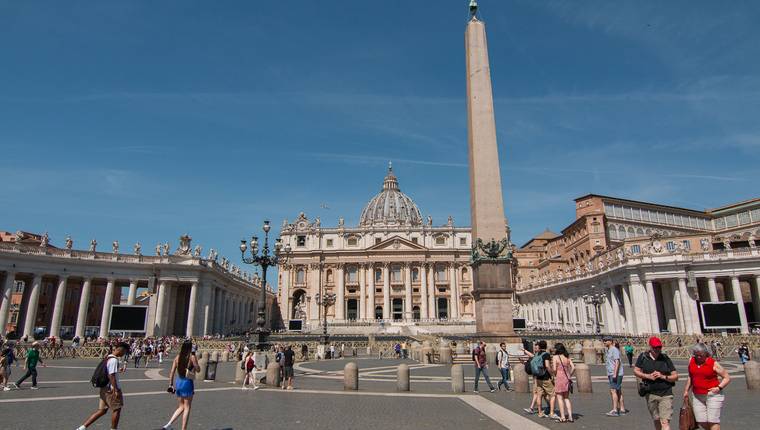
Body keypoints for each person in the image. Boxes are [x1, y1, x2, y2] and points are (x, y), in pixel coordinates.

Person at [76, 342, 130, 430]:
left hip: (104, 388)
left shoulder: (108, 357)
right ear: (121, 349)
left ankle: (81, 428)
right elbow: (111, 375)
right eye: (125, 352)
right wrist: (115, 390)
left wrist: (118, 370)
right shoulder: (114, 360)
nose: (124, 354)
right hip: (111, 389)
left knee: (102, 410)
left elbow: (109, 371)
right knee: (117, 409)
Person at [683, 343, 731, 430]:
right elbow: (690, 376)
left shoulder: (713, 363)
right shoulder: (691, 360)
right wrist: (686, 390)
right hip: (697, 395)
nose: (698, 357)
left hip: (713, 395)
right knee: (700, 420)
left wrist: (718, 388)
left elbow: (726, 378)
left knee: (713, 421)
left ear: (706, 354)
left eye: (701, 355)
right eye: (696, 355)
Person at [634, 336, 678, 430]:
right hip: (650, 393)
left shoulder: (665, 358)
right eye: (655, 348)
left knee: (665, 421)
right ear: (650, 347)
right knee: (657, 419)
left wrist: (663, 376)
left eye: (659, 347)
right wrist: (648, 376)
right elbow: (636, 371)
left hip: (666, 393)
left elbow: (675, 376)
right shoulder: (643, 357)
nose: (657, 350)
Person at [162, 340, 200, 430]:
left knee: (181, 406)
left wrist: (170, 384)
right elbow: (198, 369)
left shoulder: (177, 357)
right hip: (187, 382)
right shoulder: (192, 357)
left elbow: (171, 372)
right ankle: (183, 429)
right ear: (190, 348)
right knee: (187, 407)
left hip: (178, 382)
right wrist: (194, 357)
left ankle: (168, 425)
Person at [532, 340, 557, 418]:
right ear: (546, 346)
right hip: (545, 377)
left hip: (538, 377)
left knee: (539, 395)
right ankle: (552, 413)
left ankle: (540, 413)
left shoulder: (537, 354)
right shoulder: (546, 354)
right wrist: (552, 374)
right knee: (553, 395)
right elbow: (547, 365)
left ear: (539, 346)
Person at [552, 343, 575, 423]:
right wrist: (570, 375)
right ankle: (570, 416)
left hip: (559, 377)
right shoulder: (567, 357)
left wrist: (555, 374)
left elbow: (554, 369)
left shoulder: (555, 357)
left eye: (555, 348)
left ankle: (562, 417)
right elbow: (573, 367)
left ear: (557, 349)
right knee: (566, 398)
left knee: (559, 398)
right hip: (566, 378)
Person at [604, 336, 627, 417]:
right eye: (604, 340)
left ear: (610, 341)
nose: (604, 342)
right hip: (611, 373)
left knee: (613, 391)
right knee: (618, 390)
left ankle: (614, 410)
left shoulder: (614, 350)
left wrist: (614, 373)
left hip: (615, 374)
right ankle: (622, 409)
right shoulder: (608, 350)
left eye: (606, 340)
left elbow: (617, 362)